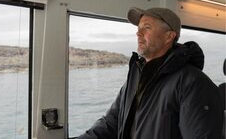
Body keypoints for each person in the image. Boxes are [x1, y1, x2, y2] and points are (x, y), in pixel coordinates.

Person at [77, 7, 224, 139]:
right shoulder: (135, 77)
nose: (138, 33)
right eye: (138, 28)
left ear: (168, 36)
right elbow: (111, 123)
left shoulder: (193, 83)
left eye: (146, 27)